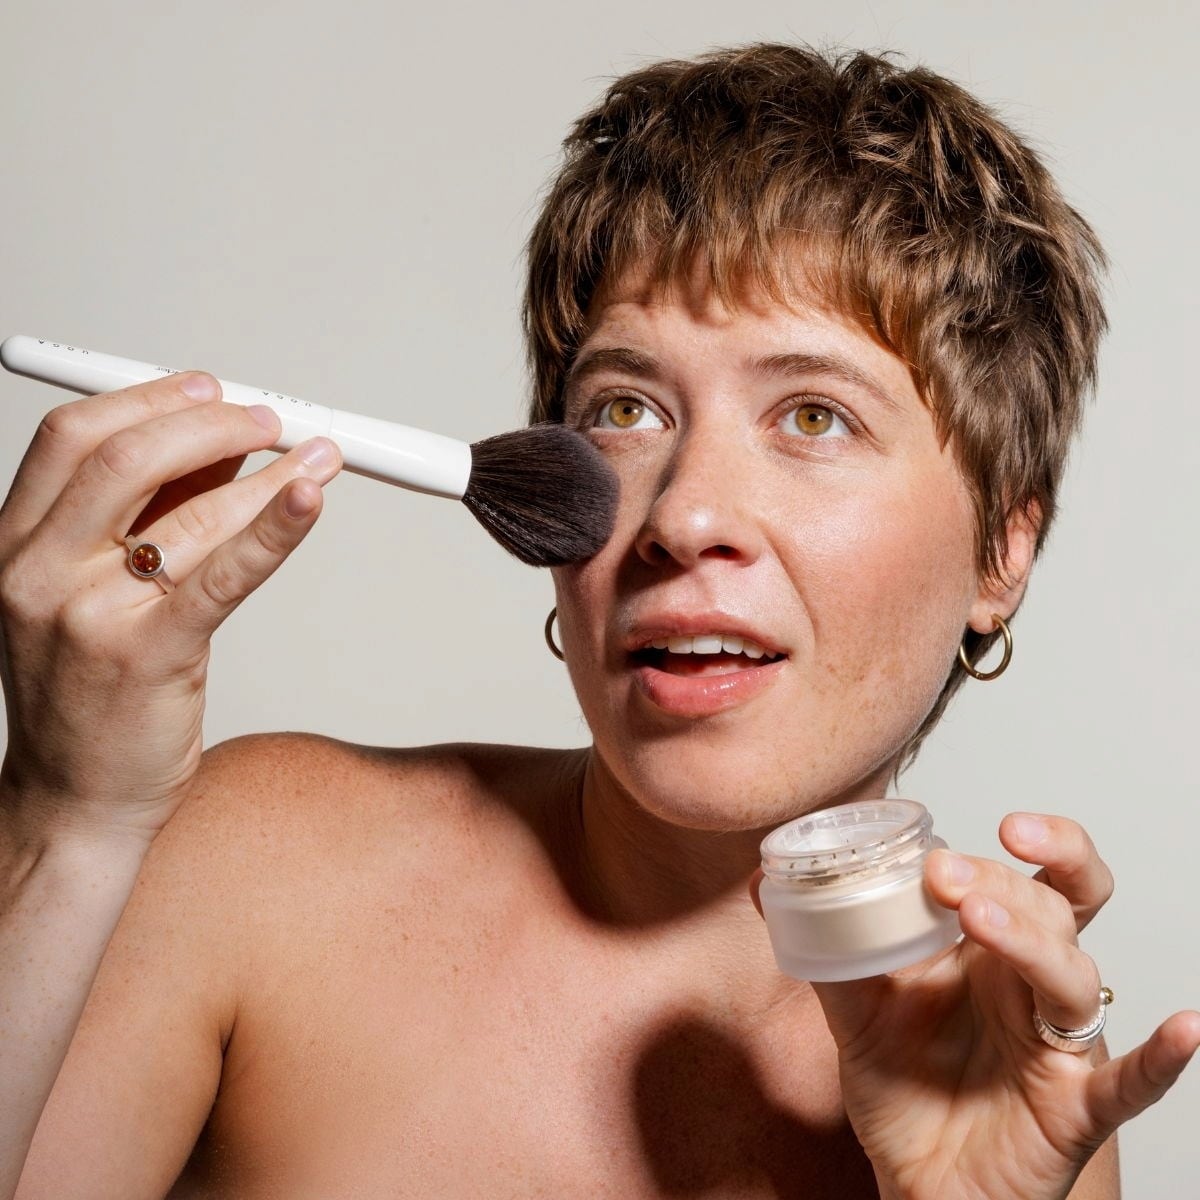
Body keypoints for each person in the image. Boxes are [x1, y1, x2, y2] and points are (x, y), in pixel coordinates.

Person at [1, 42, 1196, 1200]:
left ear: (1002, 552)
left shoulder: (1006, 1075)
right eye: (627, 409)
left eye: (814, 417)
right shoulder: (256, 870)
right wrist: (69, 821)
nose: (683, 516)